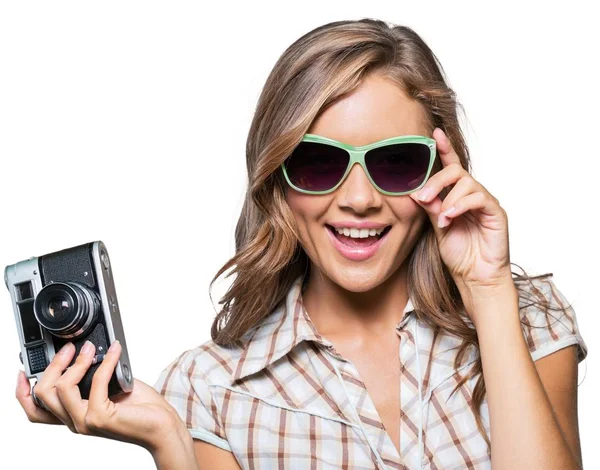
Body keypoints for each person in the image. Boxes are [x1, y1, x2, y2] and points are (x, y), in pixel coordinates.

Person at [15, 18, 588, 470]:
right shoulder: (210, 389)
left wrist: (487, 290)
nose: (359, 199)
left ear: (440, 169)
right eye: (319, 163)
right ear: (276, 179)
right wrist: (168, 442)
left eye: (396, 162)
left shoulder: (526, 317)